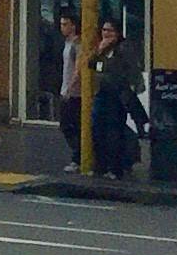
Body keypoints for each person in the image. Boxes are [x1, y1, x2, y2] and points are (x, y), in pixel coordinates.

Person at [89, 21, 139, 179]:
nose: (106, 34)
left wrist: (102, 64)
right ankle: (100, 166)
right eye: (104, 30)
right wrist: (99, 52)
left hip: (117, 96)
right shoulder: (103, 49)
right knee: (97, 130)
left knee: (114, 132)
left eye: (110, 31)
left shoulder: (123, 49)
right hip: (102, 93)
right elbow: (92, 64)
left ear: (117, 33)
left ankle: (115, 168)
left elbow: (118, 70)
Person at [53, 10, 84, 169]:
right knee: (67, 125)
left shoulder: (77, 44)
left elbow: (77, 69)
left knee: (70, 125)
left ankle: (78, 157)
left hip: (74, 93)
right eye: (61, 24)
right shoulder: (66, 43)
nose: (62, 28)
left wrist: (70, 88)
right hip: (66, 88)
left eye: (65, 24)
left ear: (73, 26)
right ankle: (78, 155)